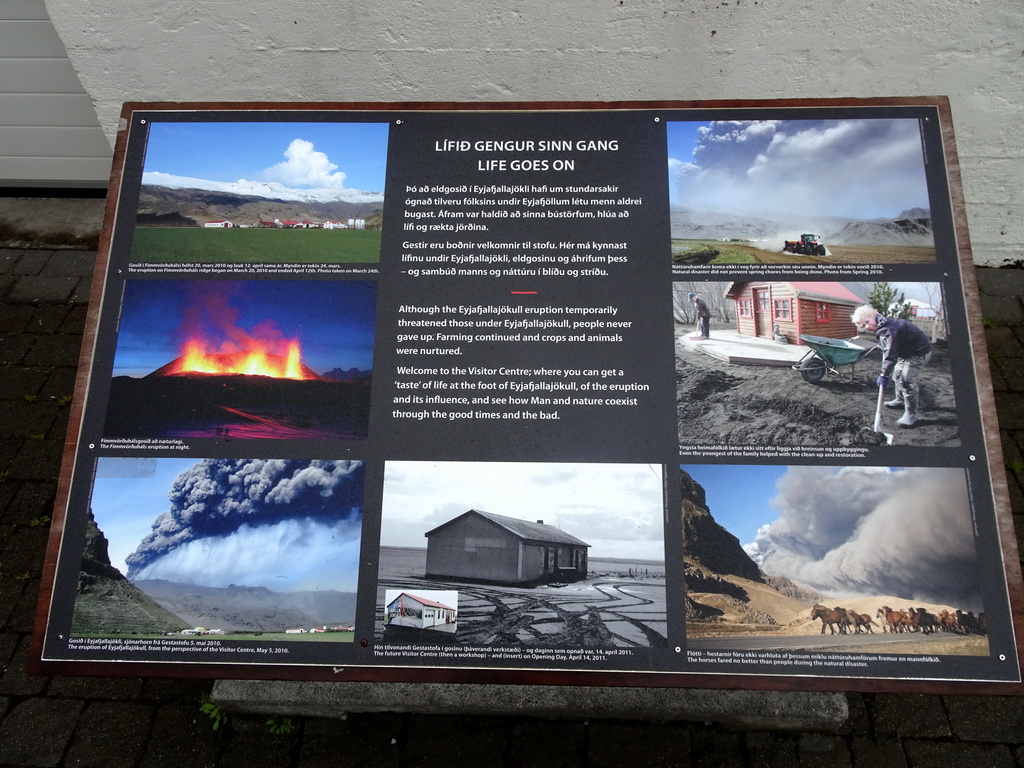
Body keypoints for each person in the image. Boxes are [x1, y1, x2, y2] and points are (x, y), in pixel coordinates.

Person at [850, 304, 932, 427]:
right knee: (897, 375)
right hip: (905, 353)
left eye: (867, 322)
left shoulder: (890, 329)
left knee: (906, 380)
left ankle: (911, 415)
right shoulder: (882, 326)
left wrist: (884, 374)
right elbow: (889, 346)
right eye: (863, 326)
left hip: (918, 353)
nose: (867, 327)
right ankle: (899, 400)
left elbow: (890, 354)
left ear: (874, 314)